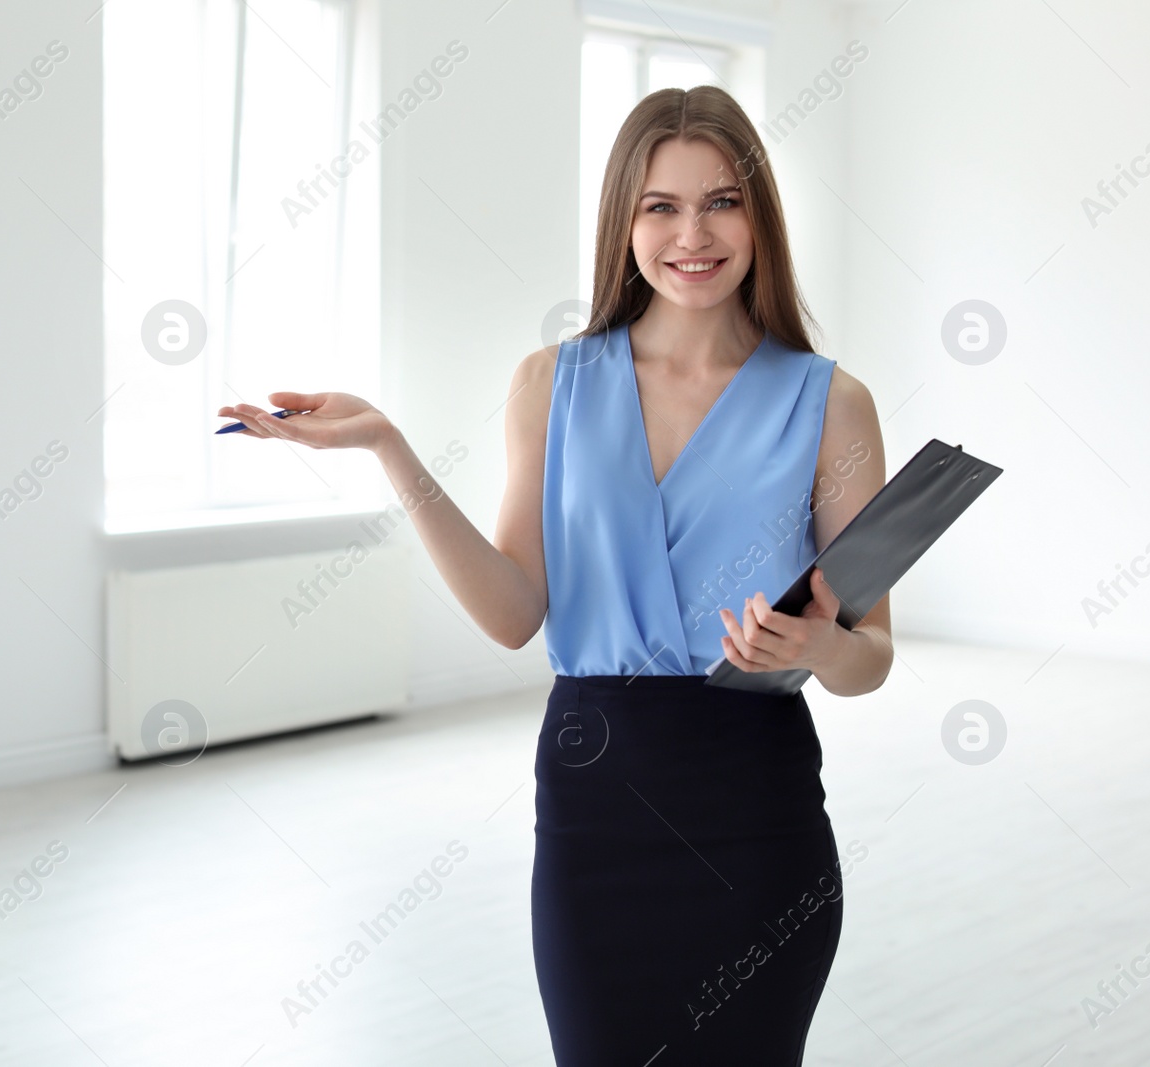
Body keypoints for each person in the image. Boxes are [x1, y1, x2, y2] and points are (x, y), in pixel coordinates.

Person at [218, 84, 892, 1066]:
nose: (690, 233)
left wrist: (823, 646)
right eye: (659, 205)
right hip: (594, 804)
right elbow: (511, 612)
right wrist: (390, 449)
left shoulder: (833, 403)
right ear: (623, 219)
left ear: (760, 218)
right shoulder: (552, 383)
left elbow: (871, 654)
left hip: (758, 808)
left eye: (721, 201)